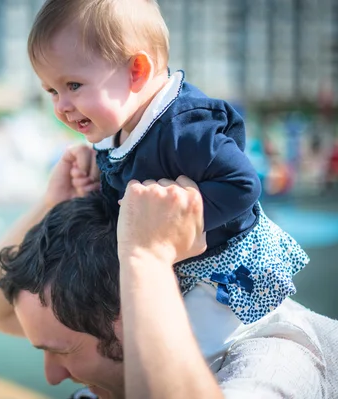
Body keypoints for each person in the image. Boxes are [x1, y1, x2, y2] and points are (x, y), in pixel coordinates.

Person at [0, 145, 338, 398]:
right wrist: (55, 203)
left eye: (61, 351)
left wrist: (149, 257)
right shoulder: (114, 318)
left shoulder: (280, 363)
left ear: (128, 314)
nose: (53, 376)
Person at [26, 0, 309, 327]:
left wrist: (177, 226)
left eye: (72, 85)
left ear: (136, 72)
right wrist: (95, 179)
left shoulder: (183, 130)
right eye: (51, 90)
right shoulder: (118, 128)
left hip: (224, 272)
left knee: (184, 356)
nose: (61, 105)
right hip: (177, 267)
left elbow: (242, 185)